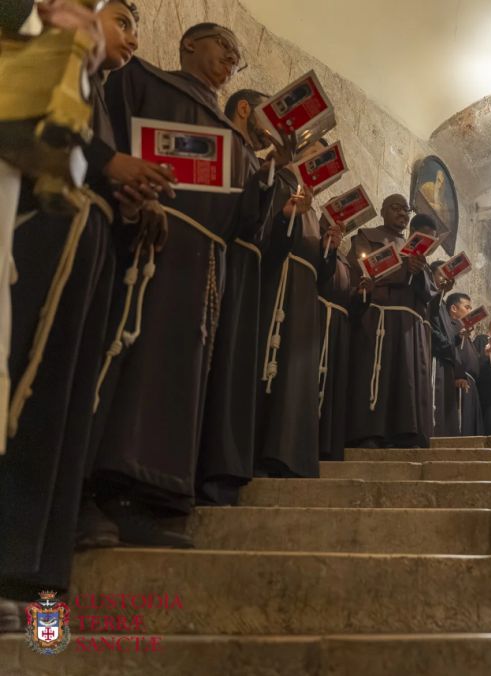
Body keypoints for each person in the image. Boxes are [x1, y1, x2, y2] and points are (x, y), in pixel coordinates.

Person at [0, 0, 167, 619]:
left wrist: (124, 200)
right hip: (37, 238)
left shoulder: (100, 90)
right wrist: (104, 162)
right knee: (23, 392)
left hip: (82, 247)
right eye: (120, 20)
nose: (130, 39)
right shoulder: (32, 32)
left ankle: (36, 578)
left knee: (63, 410)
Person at [89, 22, 255, 546]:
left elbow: (247, 218)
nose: (231, 60)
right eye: (224, 47)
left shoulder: (234, 137)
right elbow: (108, 144)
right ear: (188, 44)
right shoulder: (144, 81)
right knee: (138, 366)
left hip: (206, 263)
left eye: (237, 57)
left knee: (183, 380)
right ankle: (108, 491)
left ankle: (156, 499)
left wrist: (269, 173)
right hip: (151, 243)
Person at [195, 87, 289, 505]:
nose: (275, 128)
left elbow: (258, 229)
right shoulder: (222, 141)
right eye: (270, 116)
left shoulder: (257, 161)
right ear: (245, 109)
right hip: (221, 259)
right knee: (216, 364)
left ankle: (225, 467)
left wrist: (284, 211)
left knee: (234, 368)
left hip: (247, 270)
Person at [255, 143, 332, 478]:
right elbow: (265, 231)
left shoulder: (314, 210)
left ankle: (291, 453)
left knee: (297, 377)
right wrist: (287, 216)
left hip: (304, 296)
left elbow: (322, 272)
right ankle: (266, 449)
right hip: (280, 287)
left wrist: (329, 248)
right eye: (314, 153)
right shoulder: (282, 183)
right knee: (274, 367)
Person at [345, 195, 435, 448]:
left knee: (405, 379)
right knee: (376, 374)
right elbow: (360, 270)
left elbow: (428, 291)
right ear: (383, 211)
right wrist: (404, 268)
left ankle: (405, 433)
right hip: (379, 318)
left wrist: (418, 271)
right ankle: (370, 433)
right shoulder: (367, 236)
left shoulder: (413, 246)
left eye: (406, 210)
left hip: (408, 325)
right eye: (396, 208)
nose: (402, 213)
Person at [317, 214, 353, 460]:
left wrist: (361, 294)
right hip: (319, 317)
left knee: (333, 389)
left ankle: (328, 445)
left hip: (339, 324)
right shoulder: (319, 246)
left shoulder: (345, 260)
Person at [431, 289, 484, 437]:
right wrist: (458, 373)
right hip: (459, 379)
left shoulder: (462, 329)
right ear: (454, 308)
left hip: (470, 382)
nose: (470, 311)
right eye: (467, 307)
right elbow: (454, 351)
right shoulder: (452, 327)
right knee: (460, 424)